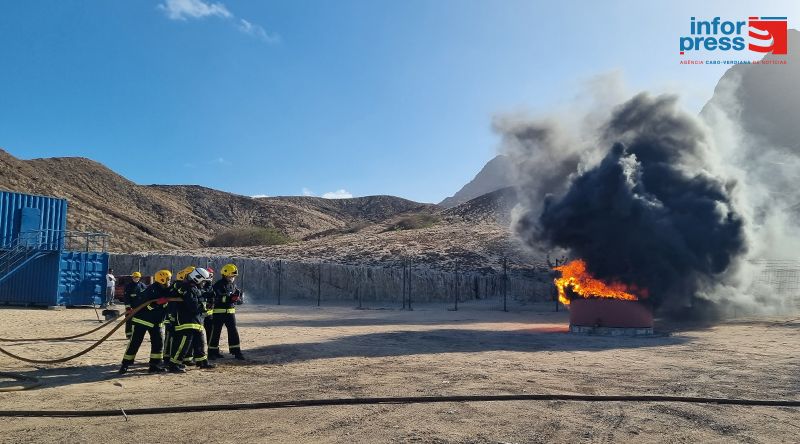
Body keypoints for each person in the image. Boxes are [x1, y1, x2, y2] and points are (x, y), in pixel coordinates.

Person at [118, 269, 172, 374]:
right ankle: (125, 364)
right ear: (162, 279)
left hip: (156, 322)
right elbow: (142, 303)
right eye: (168, 279)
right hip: (142, 321)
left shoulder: (166, 289)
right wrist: (156, 303)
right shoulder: (152, 289)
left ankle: (154, 366)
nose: (169, 281)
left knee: (158, 344)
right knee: (135, 343)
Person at [167, 267, 216, 373]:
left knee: (200, 342)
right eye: (203, 281)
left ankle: (202, 362)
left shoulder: (195, 288)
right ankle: (174, 364)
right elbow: (193, 306)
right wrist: (204, 305)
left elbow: (201, 297)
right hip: (186, 321)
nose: (204, 284)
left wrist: (208, 299)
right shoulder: (188, 288)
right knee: (183, 343)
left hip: (196, 321)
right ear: (197, 278)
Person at [208, 263, 245, 360]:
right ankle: (212, 352)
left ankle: (236, 351)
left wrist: (238, 298)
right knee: (216, 332)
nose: (233, 278)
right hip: (218, 312)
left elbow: (237, 297)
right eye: (231, 275)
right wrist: (230, 298)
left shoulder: (233, 285)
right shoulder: (218, 285)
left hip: (230, 312)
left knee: (233, 331)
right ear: (225, 274)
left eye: (234, 276)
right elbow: (218, 298)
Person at [165, 266, 195, 361]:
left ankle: (187, 358)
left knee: (184, 338)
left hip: (181, 316)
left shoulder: (189, 286)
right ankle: (167, 357)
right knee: (171, 337)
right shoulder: (178, 286)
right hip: (173, 315)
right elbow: (172, 302)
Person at [123, 271, 147, 339]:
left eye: (137, 277)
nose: (136, 278)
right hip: (131, 307)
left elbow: (146, 295)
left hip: (140, 307)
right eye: (135, 277)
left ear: (139, 278)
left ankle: (138, 334)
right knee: (129, 321)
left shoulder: (142, 286)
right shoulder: (129, 286)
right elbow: (126, 297)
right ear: (132, 278)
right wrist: (128, 307)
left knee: (140, 321)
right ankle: (129, 334)